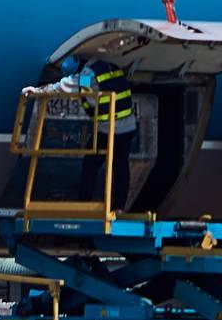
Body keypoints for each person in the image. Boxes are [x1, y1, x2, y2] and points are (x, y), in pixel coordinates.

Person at [24, 55, 137, 209]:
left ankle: (84, 203)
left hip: (109, 129)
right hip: (128, 126)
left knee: (91, 164)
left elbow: (68, 86)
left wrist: (38, 91)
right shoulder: (109, 65)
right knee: (120, 166)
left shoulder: (87, 73)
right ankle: (119, 207)